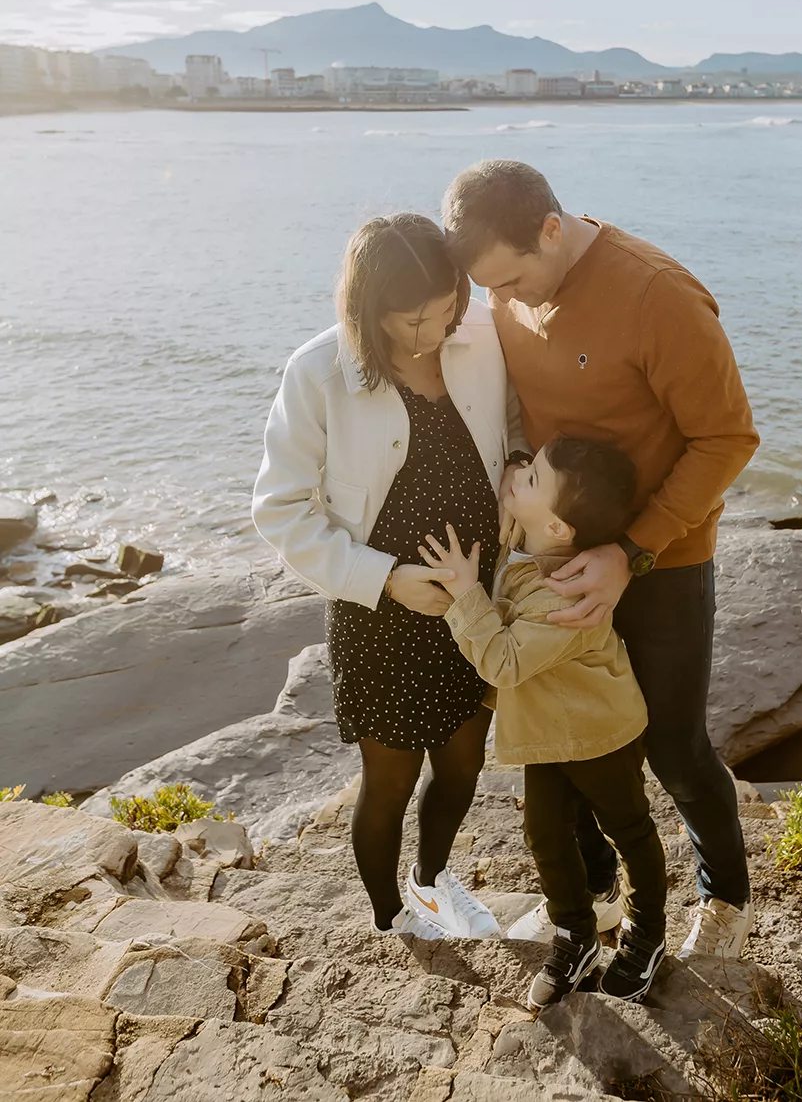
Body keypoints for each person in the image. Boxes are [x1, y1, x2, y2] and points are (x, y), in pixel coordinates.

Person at [442, 162, 760, 959]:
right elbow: (516, 408)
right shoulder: (504, 289)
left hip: (664, 553)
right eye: (490, 288)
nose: (503, 301)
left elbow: (728, 438)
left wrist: (631, 550)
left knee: (674, 746)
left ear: (553, 228)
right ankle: (593, 899)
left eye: (512, 280)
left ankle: (724, 902)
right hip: (552, 558)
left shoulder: (659, 297)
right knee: (563, 737)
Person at [252, 213, 509, 941]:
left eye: (446, 308)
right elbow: (280, 510)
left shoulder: (481, 333)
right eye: (411, 320)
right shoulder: (318, 372)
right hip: (378, 613)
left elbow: (516, 432)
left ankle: (430, 883)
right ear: (369, 310)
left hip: (474, 607)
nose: (434, 331)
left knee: (463, 765)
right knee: (388, 783)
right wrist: (386, 578)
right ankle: (390, 920)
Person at [420, 435, 668, 1010]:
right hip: (547, 734)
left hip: (601, 732)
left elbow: (503, 661)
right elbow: (515, 532)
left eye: (532, 479)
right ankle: (575, 935)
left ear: (559, 528)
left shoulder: (566, 595)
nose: (520, 476)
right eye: (528, 468)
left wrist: (463, 593)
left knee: (628, 829)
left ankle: (647, 933)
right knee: (545, 834)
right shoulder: (531, 541)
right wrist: (516, 478)